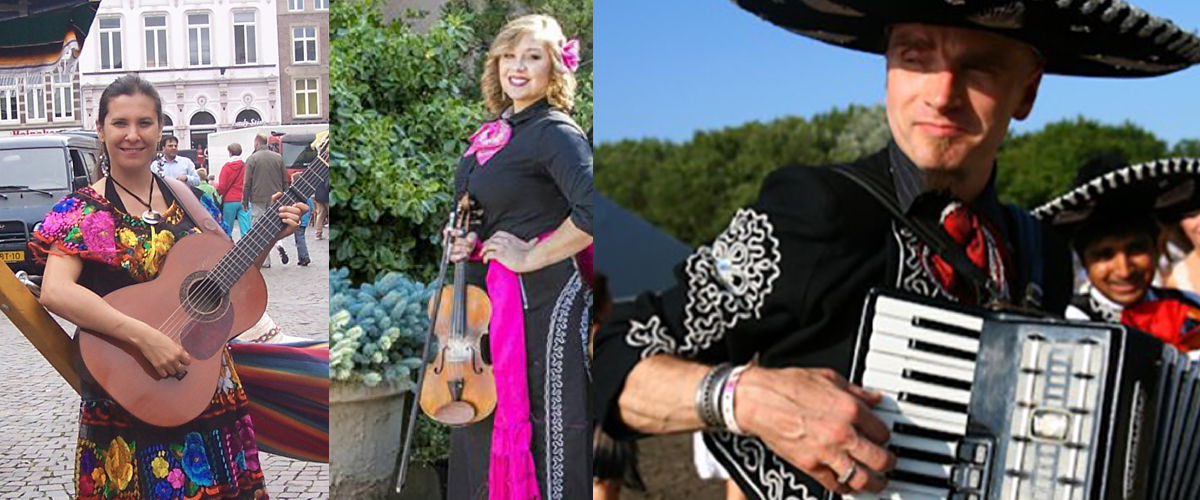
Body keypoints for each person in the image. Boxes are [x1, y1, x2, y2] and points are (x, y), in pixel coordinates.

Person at [592, 2, 1200, 498]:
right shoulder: (816, 211)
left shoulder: (1039, 250)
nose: (942, 94)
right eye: (915, 58)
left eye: (980, 67)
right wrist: (745, 398)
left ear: (1027, 92)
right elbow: (613, 357)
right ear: (887, 69)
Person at [30, 73, 309, 500]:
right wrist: (146, 338)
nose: (132, 135)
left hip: (207, 388)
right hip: (134, 395)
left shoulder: (189, 197)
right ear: (101, 128)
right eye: (120, 123)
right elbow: (56, 292)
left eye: (144, 123)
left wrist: (270, 234)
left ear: (161, 128)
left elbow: (227, 278)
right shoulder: (83, 211)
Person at [444, 14, 592, 500]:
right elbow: (484, 209)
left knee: (550, 425)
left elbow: (595, 210)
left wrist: (533, 255)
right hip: (492, 305)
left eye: (533, 57)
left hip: (544, 306)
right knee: (481, 421)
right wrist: (464, 240)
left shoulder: (554, 132)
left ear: (555, 69)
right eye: (509, 55)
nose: (518, 67)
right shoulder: (498, 130)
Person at [1037, 154, 1200, 352]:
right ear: (1083, 259)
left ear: (1156, 247)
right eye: (1104, 255)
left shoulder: (1191, 308)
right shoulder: (1066, 323)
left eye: (1136, 249)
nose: (1124, 271)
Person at [243, 133, 288, 268]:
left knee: (258, 229)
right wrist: (285, 197)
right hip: (276, 198)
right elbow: (284, 180)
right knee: (274, 226)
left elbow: (247, 182)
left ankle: (264, 260)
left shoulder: (252, 158)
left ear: (256, 143)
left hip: (258, 197)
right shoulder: (278, 158)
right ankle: (279, 245)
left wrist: (245, 200)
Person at [216, 142, 251, 238]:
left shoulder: (226, 167)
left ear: (230, 152)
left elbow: (222, 186)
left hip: (230, 200)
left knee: (227, 228)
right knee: (246, 227)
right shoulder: (245, 166)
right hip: (244, 199)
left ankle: (228, 248)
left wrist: (216, 194)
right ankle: (247, 247)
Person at [312, 173, 328, 240]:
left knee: (320, 215)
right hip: (327, 197)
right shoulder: (328, 173)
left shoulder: (318, 173)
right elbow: (328, 185)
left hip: (318, 197)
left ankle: (318, 233)